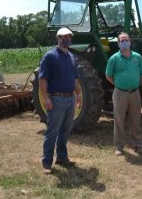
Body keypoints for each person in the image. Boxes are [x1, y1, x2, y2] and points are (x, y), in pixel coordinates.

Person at [39, 27, 82, 174]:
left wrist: (79, 94)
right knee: (52, 132)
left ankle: (62, 158)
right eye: (63, 37)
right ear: (58, 38)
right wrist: (45, 98)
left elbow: (75, 78)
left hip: (70, 98)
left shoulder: (71, 57)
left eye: (69, 37)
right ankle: (46, 163)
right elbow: (42, 79)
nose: (66, 40)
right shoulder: (50, 56)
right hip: (56, 99)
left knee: (65, 131)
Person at [105, 32, 142, 156]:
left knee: (136, 119)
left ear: (130, 41)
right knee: (119, 120)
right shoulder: (114, 59)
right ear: (118, 44)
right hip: (120, 93)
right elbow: (108, 75)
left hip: (135, 92)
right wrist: (119, 84)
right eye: (121, 41)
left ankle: (137, 144)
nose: (124, 42)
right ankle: (119, 146)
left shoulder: (137, 57)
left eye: (126, 40)